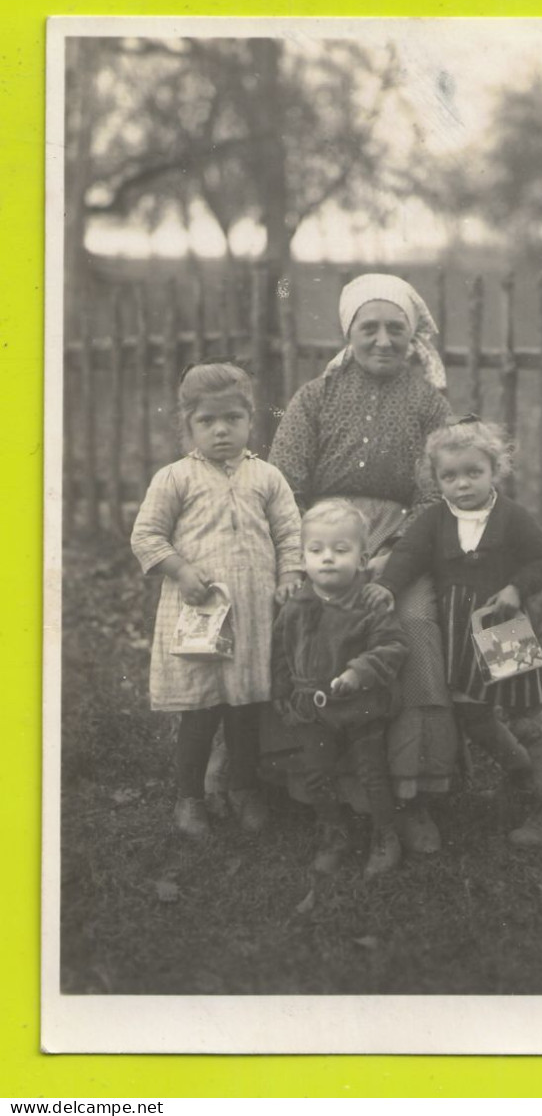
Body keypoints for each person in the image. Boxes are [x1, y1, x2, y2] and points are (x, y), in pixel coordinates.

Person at [264, 273, 459, 853]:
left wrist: (392, 557)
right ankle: (309, 782)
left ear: (412, 336)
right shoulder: (315, 397)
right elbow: (285, 481)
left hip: (402, 541)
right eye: (367, 328)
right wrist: (312, 552)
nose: (382, 340)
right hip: (322, 537)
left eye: (394, 329)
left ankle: (415, 793)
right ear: (348, 333)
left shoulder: (429, 402)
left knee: (414, 627)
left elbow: (437, 490)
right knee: (304, 624)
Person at [379, 417, 542, 847]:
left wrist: (516, 588)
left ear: (494, 470)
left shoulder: (512, 517)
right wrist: (386, 588)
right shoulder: (433, 519)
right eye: (449, 476)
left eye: (473, 473)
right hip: (458, 635)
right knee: (471, 714)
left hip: (503, 630)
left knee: (528, 719)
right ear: (436, 479)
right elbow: (407, 555)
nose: (462, 484)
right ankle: (520, 769)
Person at [131, 360, 302, 839]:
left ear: (251, 420)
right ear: (188, 426)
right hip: (199, 615)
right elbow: (146, 536)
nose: (221, 430)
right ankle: (191, 799)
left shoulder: (267, 477)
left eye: (233, 419)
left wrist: (289, 573)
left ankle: (244, 788)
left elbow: (290, 532)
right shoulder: (175, 478)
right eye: (207, 421)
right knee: (200, 713)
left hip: (251, 612)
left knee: (246, 711)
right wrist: (181, 570)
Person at [272, 499, 409, 878]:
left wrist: (358, 672)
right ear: (303, 558)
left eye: (340, 550)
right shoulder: (297, 605)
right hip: (312, 710)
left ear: (363, 560)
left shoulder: (370, 601)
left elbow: (391, 646)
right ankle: (333, 834)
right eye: (316, 551)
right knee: (317, 774)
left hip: (361, 705)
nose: (327, 559)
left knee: (372, 772)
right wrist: (283, 696)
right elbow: (279, 653)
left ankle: (385, 835)